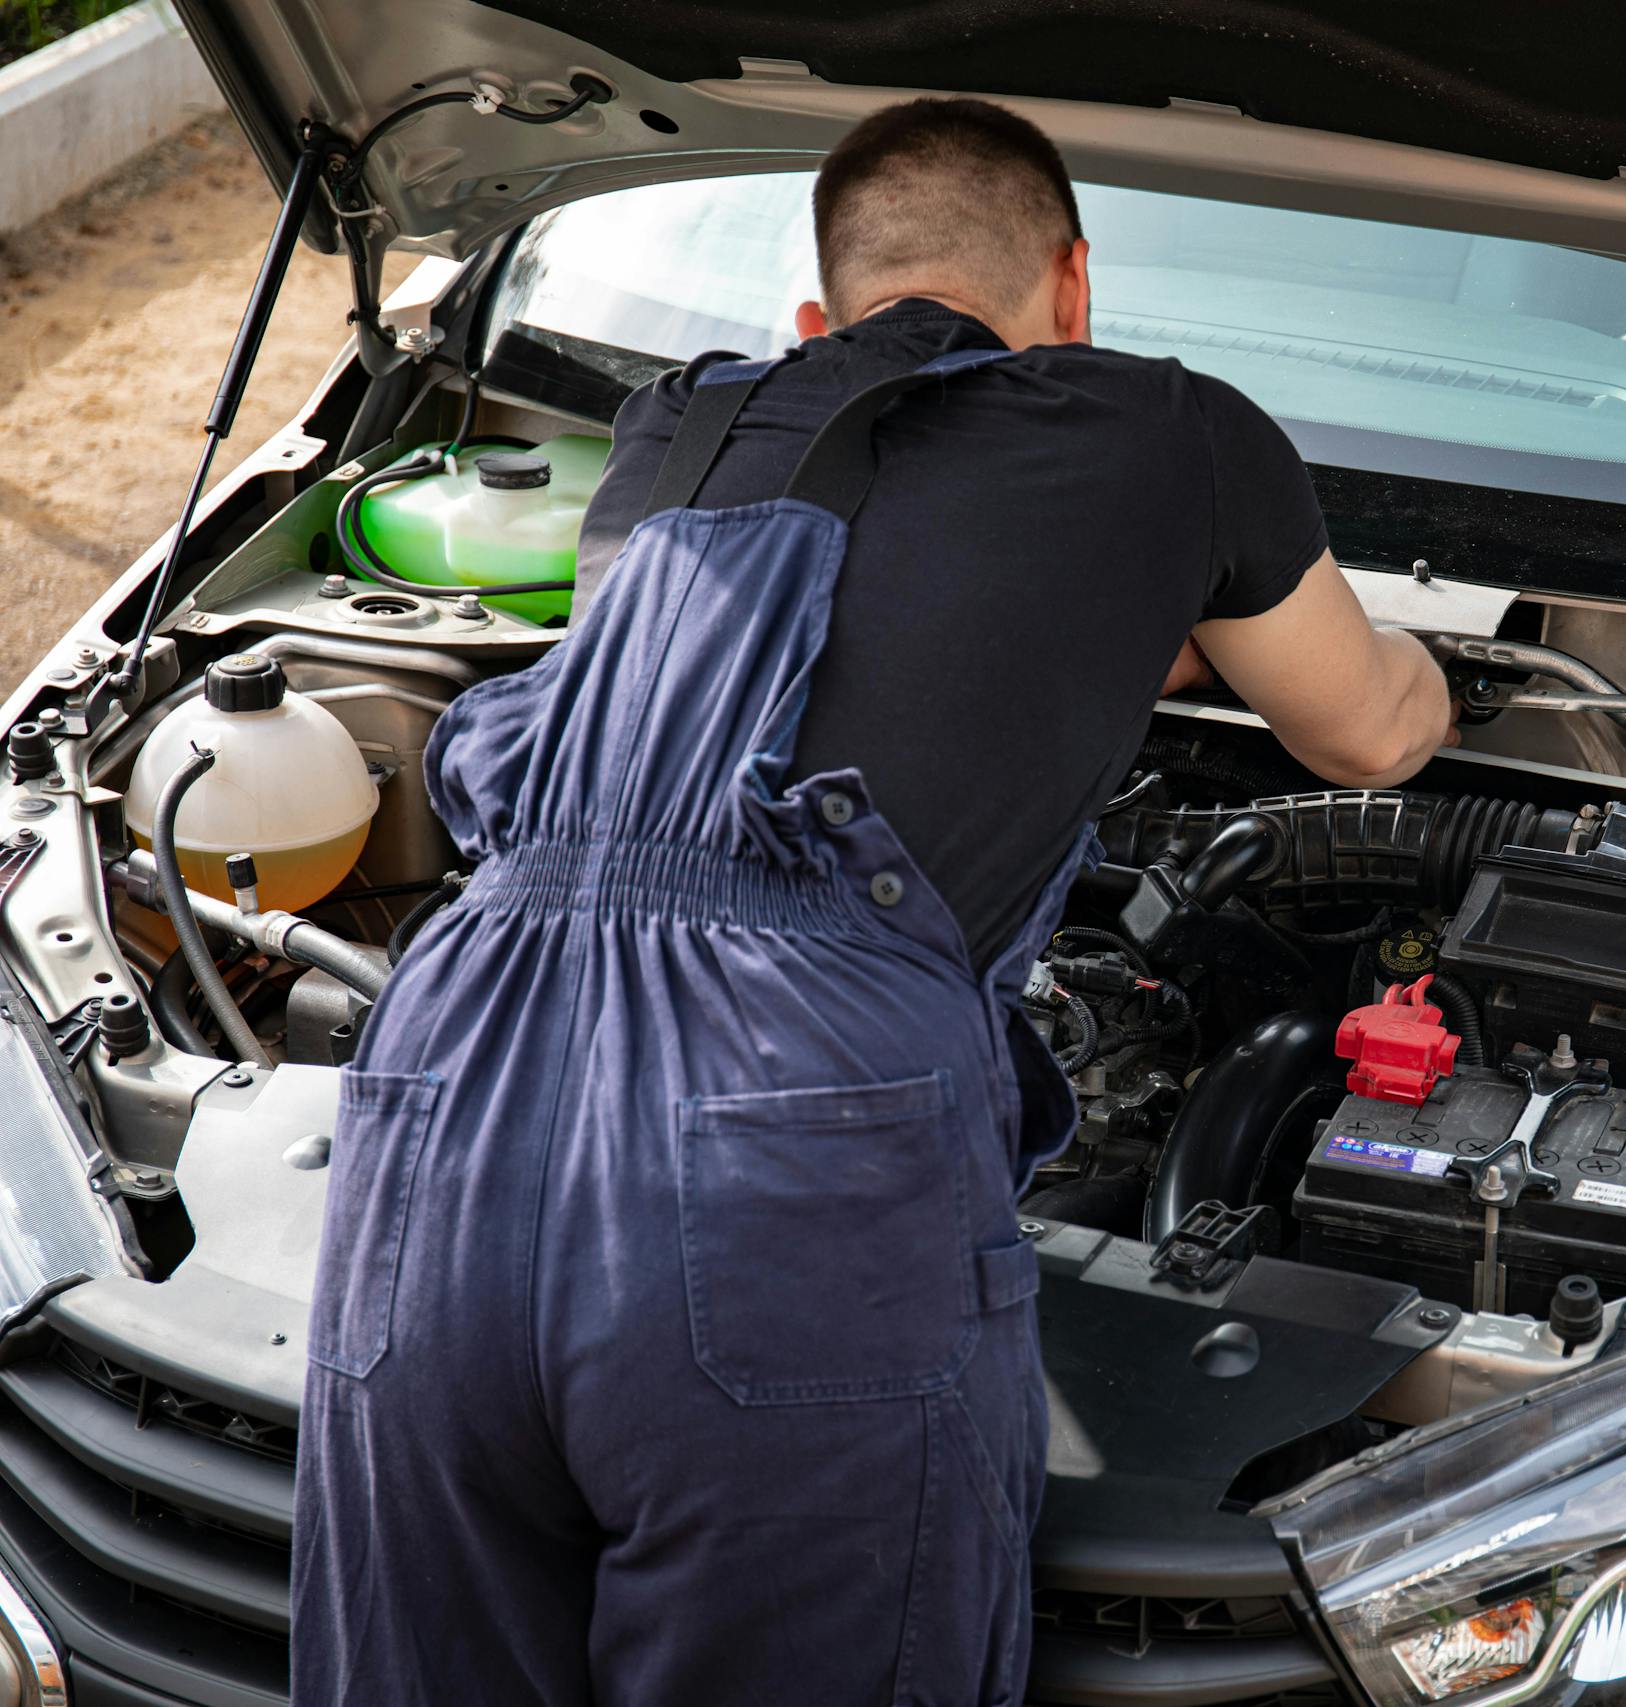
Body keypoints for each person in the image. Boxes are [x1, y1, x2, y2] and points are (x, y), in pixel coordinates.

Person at [290, 96, 1454, 1705]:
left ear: (817, 328)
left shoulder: (676, 428)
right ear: (1076, 287)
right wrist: (1420, 677)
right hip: (782, 1123)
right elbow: (1367, 730)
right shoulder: (1170, 432)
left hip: (446, 1085)